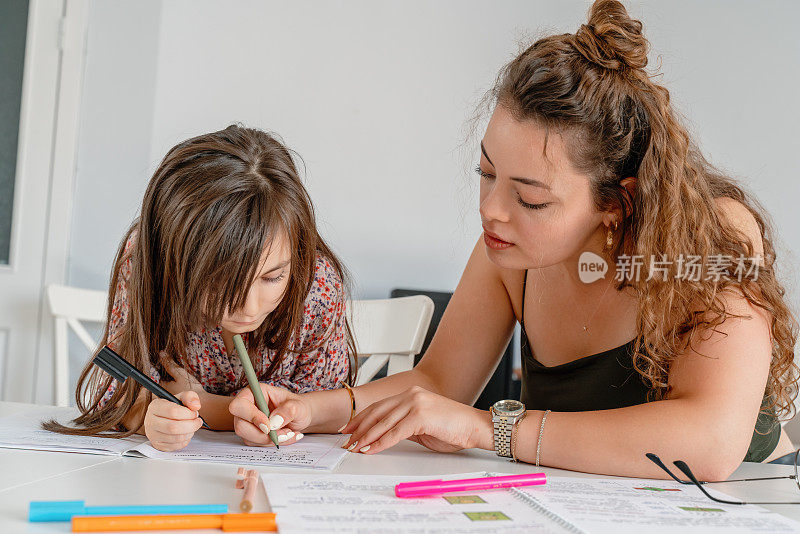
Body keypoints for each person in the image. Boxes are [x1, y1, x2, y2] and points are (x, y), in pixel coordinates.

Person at [230, 0, 798, 479]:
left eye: (531, 200)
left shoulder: (714, 236)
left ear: (617, 203)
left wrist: (485, 428)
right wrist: (309, 411)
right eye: (486, 172)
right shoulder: (512, 252)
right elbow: (438, 383)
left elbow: (712, 441)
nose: (490, 211)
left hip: (753, 503)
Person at [46, 125, 355, 452]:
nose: (248, 307)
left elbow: (324, 409)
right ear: (171, 258)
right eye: (221, 282)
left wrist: (207, 405)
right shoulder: (145, 263)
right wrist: (149, 417)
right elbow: (117, 394)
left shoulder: (314, 283)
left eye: (272, 278)